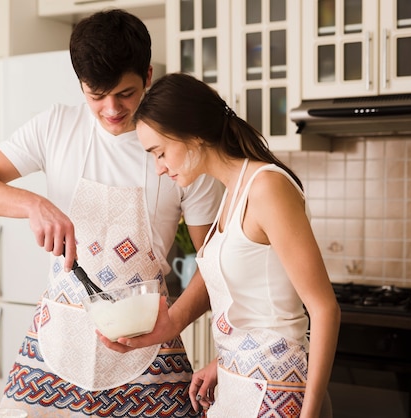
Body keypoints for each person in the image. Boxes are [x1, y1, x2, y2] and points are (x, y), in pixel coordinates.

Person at [0, 10, 224, 417]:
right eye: (97, 95)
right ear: (81, 84)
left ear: (148, 75)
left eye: (125, 93)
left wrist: (174, 320)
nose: (111, 109)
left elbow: (215, 261)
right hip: (58, 343)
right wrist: (33, 203)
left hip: (147, 348)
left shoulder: (180, 149)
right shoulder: (56, 127)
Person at [115, 72, 340, 417]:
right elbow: (254, 309)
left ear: (192, 134)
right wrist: (224, 363)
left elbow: (324, 309)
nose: (159, 168)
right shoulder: (232, 193)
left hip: (276, 392)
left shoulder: (265, 188)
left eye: (160, 152)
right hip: (242, 386)